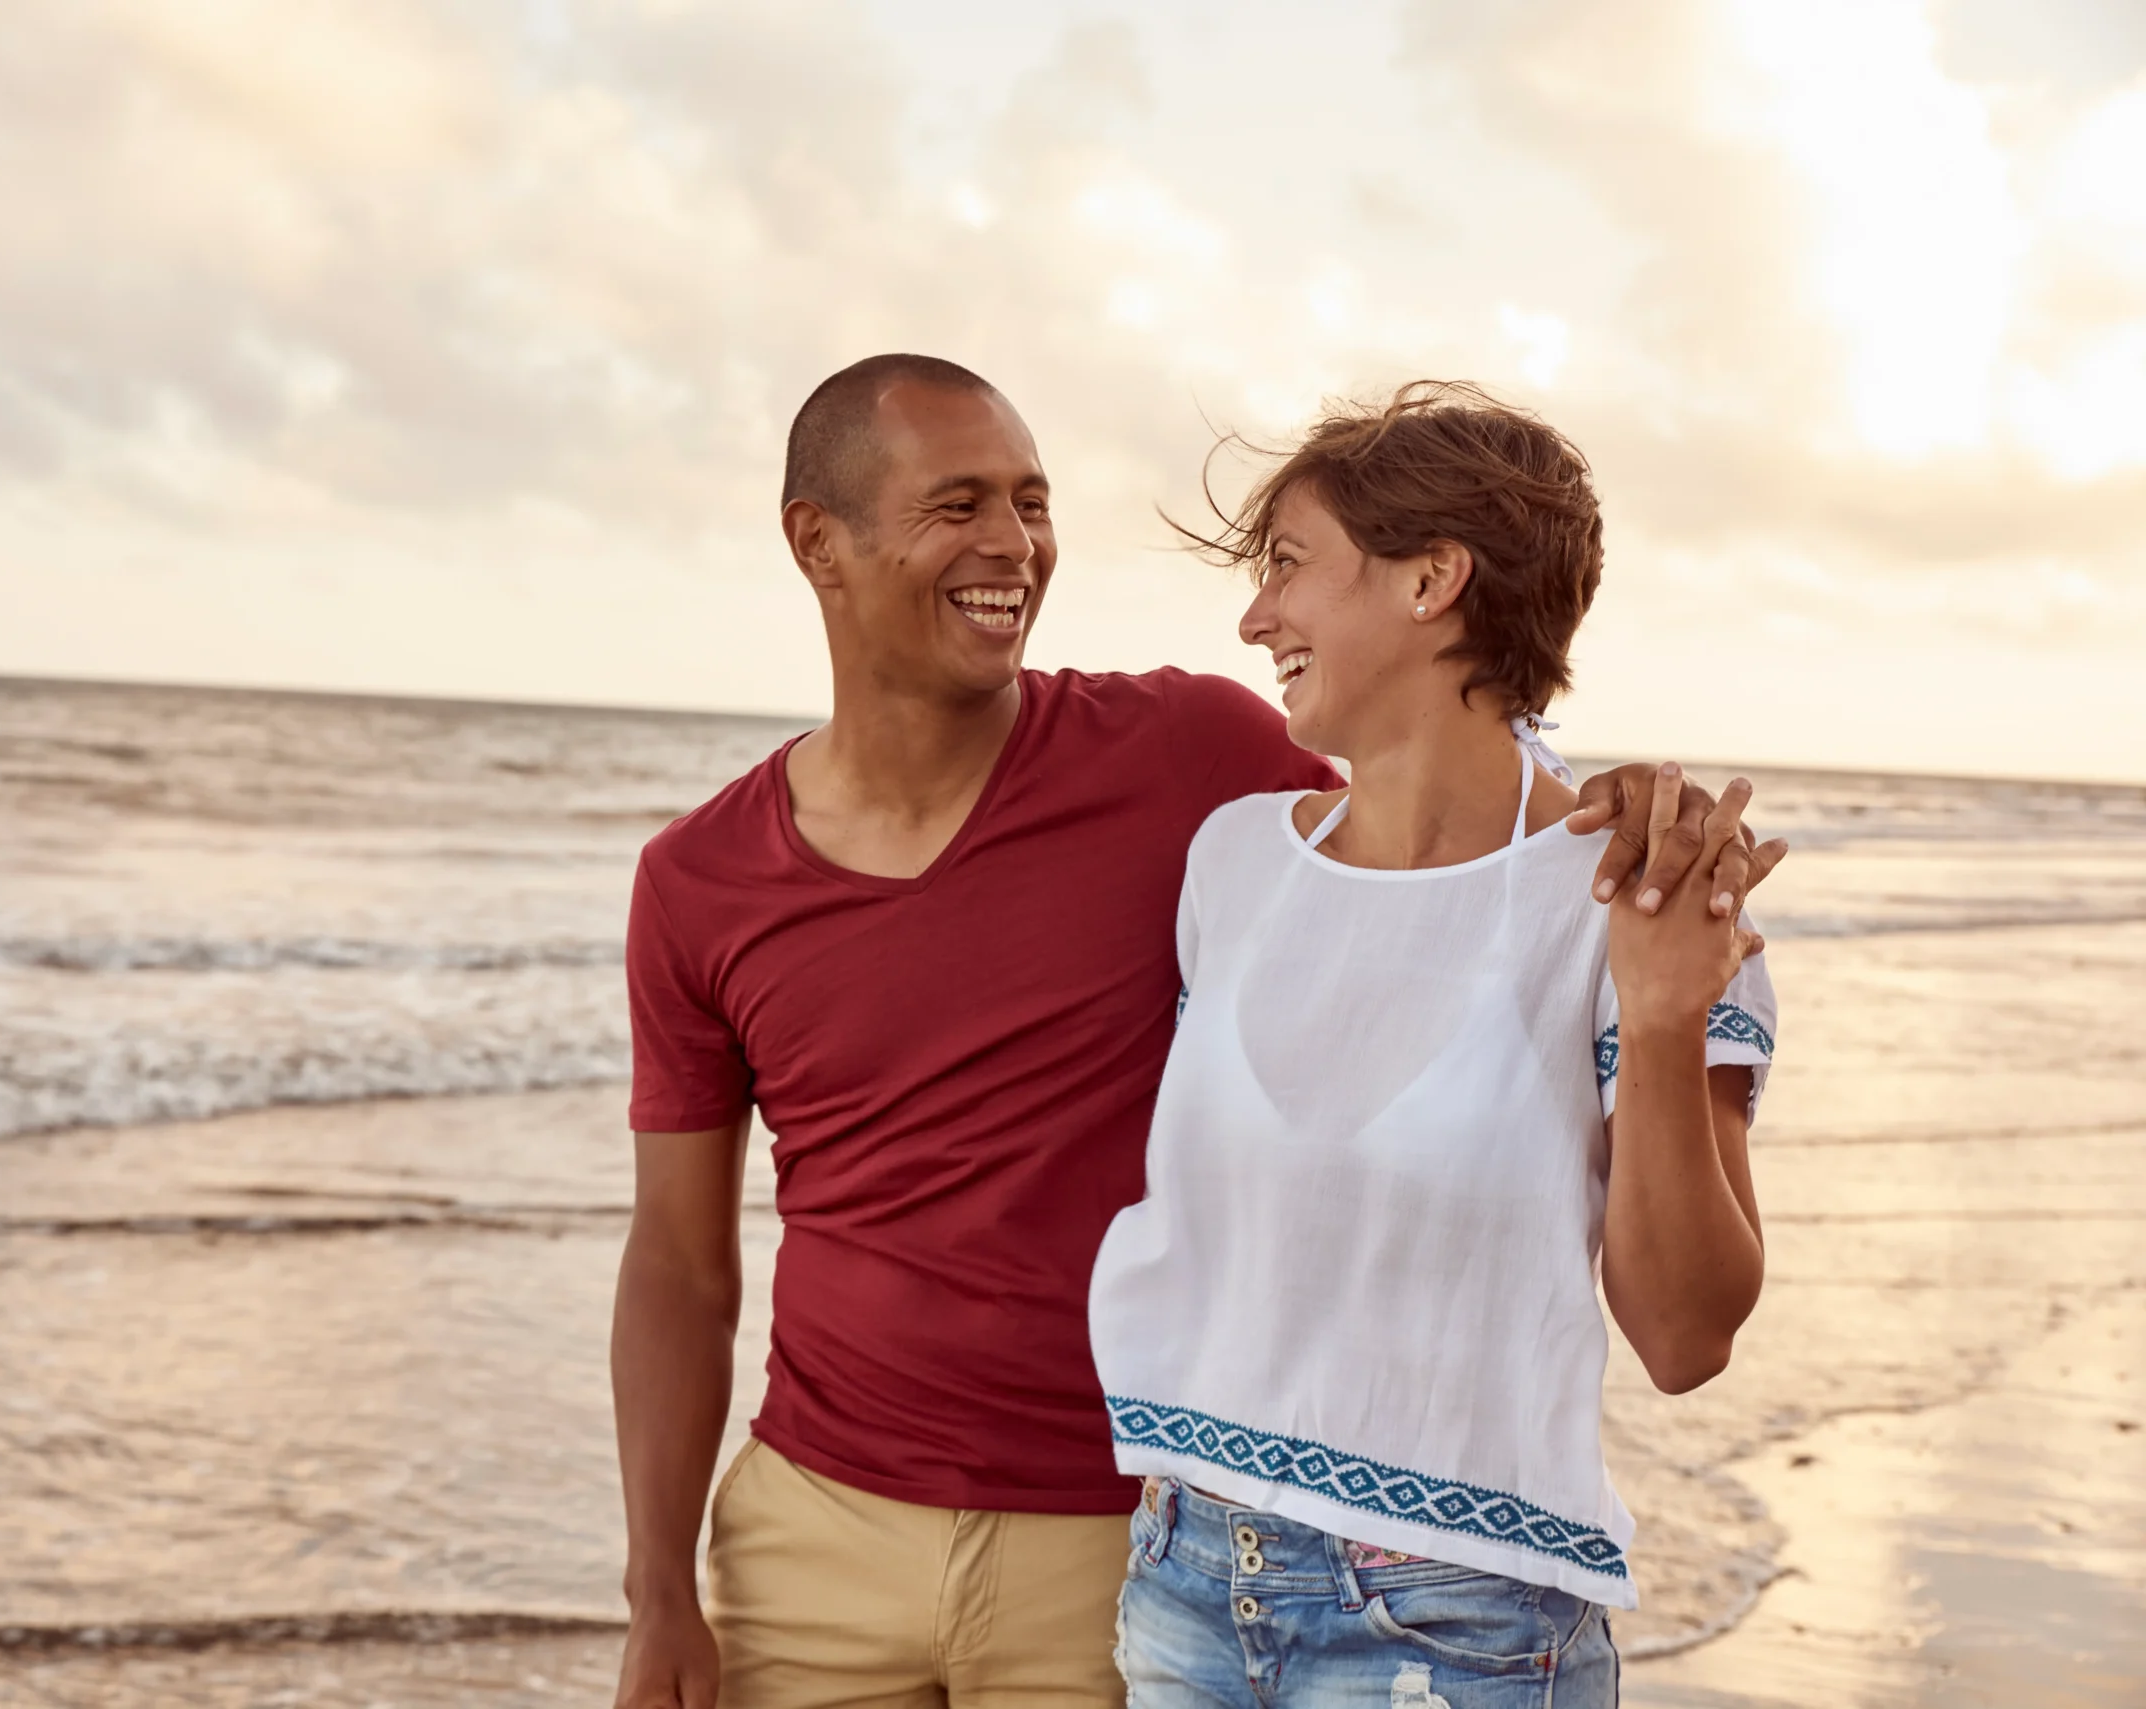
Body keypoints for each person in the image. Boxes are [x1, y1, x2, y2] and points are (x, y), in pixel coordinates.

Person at [612, 356, 1779, 1709]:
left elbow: (1449, 807)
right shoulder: (714, 879)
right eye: (959, 503)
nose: (1015, 544)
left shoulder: (1192, 765)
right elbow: (678, 1267)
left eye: (1032, 501)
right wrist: (656, 1586)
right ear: (821, 540)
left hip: (1231, 1566)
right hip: (1010, 1557)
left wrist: (1629, 834)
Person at [1089, 382, 1778, 1706]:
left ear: (1432, 581)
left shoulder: (1646, 892)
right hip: (1183, 1578)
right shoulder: (1230, 864)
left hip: (1456, 1627)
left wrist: (1668, 1010)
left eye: (1288, 565)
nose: (1255, 615)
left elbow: (1687, 1338)